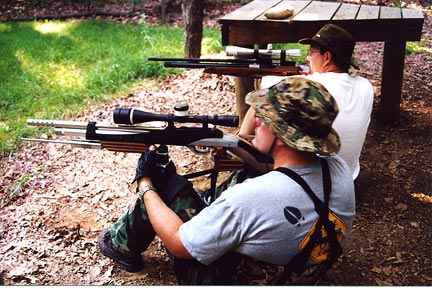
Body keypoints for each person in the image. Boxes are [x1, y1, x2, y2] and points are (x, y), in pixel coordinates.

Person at [98, 77, 356, 285]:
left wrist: (145, 182)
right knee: (247, 172)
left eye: (264, 118)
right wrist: (221, 141)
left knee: (165, 188)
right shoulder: (338, 168)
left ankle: (120, 246)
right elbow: (272, 169)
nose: (256, 120)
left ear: (280, 134)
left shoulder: (250, 198)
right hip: (301, 270)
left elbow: (178, 244)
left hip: (229, 279)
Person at [239, 24, 374, 180]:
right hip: (348, 176)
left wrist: (302, 77)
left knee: (262, 101)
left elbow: (265, 85)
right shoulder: (366, 86)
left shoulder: (312, 84)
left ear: (327, 57)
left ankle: (242, 143)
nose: (307, 59)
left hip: (309, 178)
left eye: (311, 53)